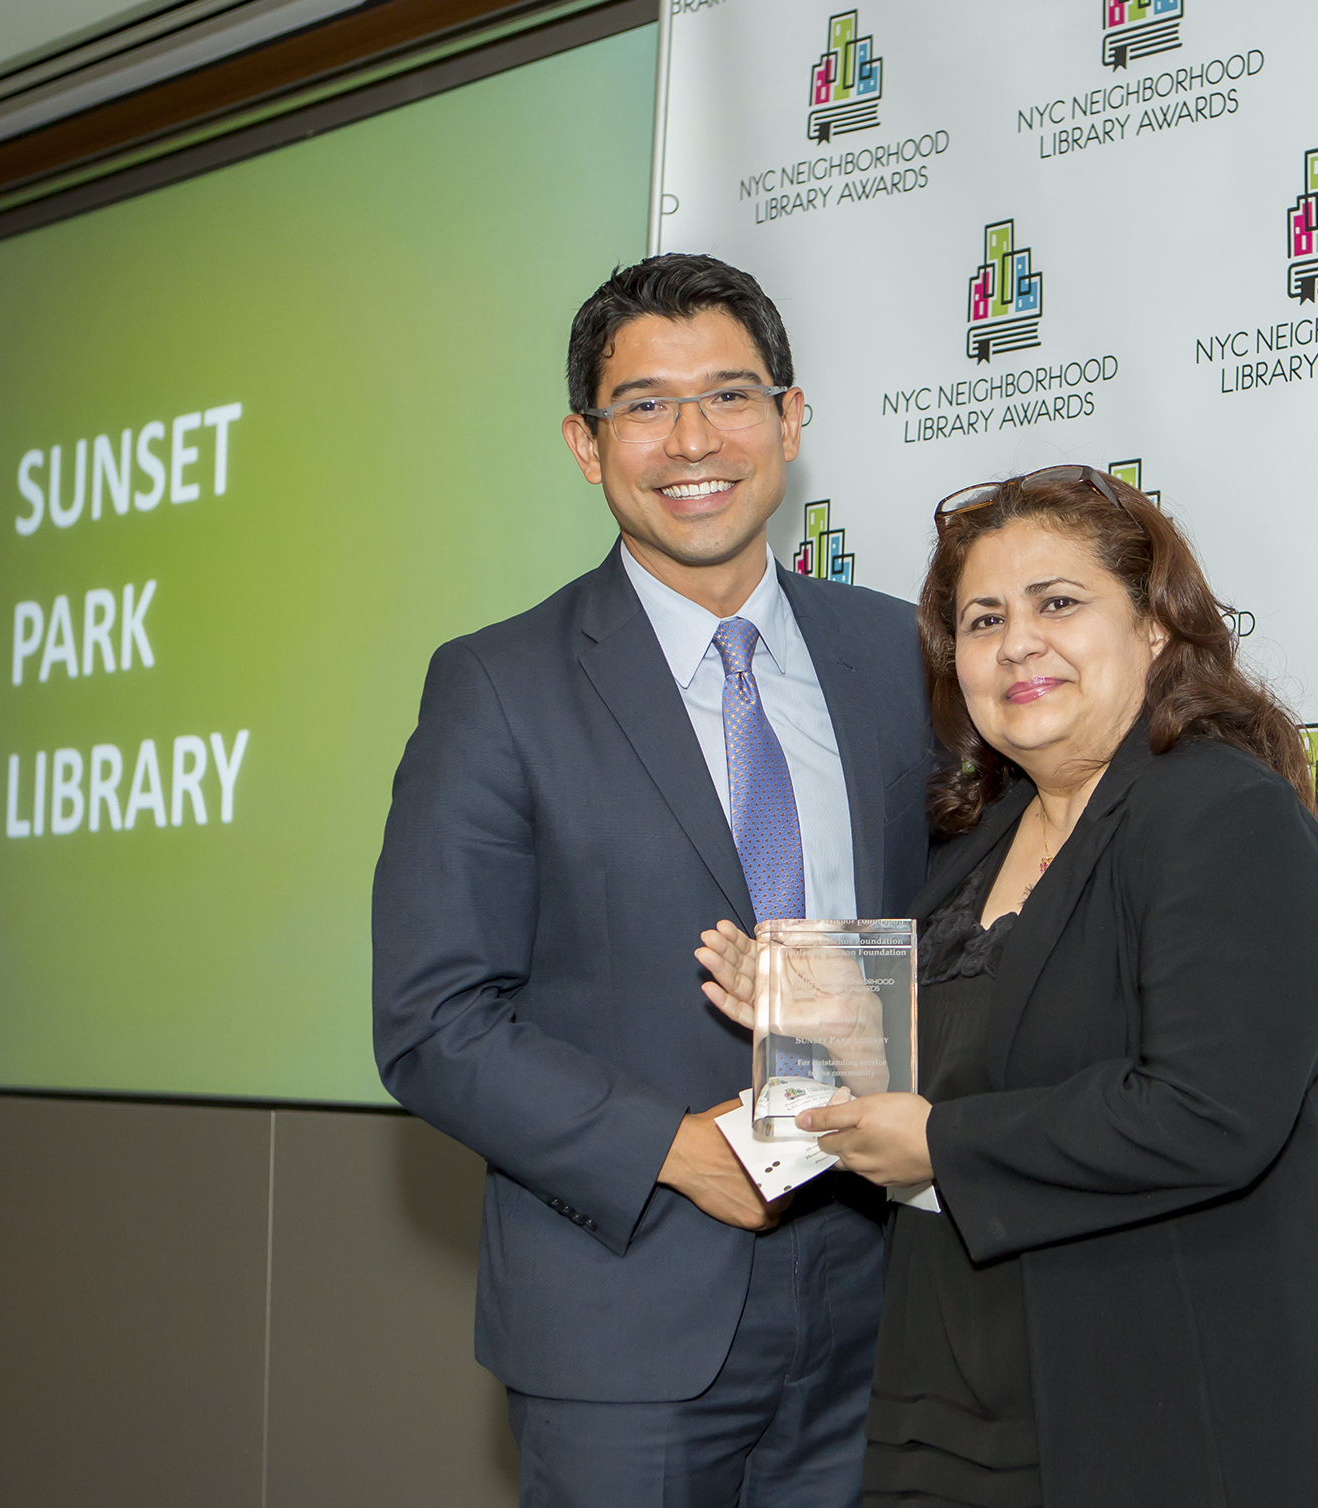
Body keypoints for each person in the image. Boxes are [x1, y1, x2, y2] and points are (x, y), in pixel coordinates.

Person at [700, 465, 1318, 1506]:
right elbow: (988, 1058)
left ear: (1155, 630)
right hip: (953, 1381)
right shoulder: (975, 842)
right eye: (983, 619)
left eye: (1058, 603)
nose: (1016, 641)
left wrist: (939, 1143)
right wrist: (828, 1027)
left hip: (1171, 1404)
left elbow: (1205, 1113)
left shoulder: (1222, 816)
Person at [372, 254, 933, 1507]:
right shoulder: (497, 688)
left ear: (791, 418)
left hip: (884, 1299)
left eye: (732, 395)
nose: (693, 439)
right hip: (625, 1314)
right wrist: (673, 1150)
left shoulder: (900, 654)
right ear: (586, 443)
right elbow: (432, 1018)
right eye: (644, 404)